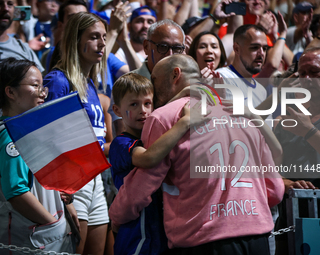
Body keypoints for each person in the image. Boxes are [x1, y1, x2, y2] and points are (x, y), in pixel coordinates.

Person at [109, 54, 284, 253]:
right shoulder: (241, 113)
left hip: (203, 240)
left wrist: (116, 216)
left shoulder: (164, 117)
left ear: (176, 75)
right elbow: (275, 190)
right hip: (257, 236)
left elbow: (140, 189)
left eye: (155, 79)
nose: (152, 87)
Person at [43, 12, 109, 255]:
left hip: (95, 180)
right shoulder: (57, 81)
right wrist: (63, 193)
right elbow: (46, 141)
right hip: (70, 181)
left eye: (104, 37)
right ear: (74, 40)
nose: (102, 43)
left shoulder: (90, 84)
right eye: (93, 37)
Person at [0, 57, 76, 253]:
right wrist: (52, 224)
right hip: (30, 238)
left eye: (43, 86)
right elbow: (16, 192)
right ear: (10, 92)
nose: (43, 92)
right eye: (35, 85)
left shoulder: (28, 129)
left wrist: (64, 199)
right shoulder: (9, 134)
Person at [274, 47, 320, 254]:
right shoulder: (287, 118)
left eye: (314, 72)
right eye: (302, 74)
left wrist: (309, 132)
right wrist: (284, 182)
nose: (306, 79)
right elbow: (270, 167)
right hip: (291, 223)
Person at [216, 24, 268, 107]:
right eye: (254, 47)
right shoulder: (222, 77)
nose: (261, 53)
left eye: (264, 49)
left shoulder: (262, 91)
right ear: (237, 49)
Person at [0, 0, 44, 72]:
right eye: (0, 4)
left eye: (10, 4)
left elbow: (39, 79)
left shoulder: (24, 48)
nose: (5, 8)